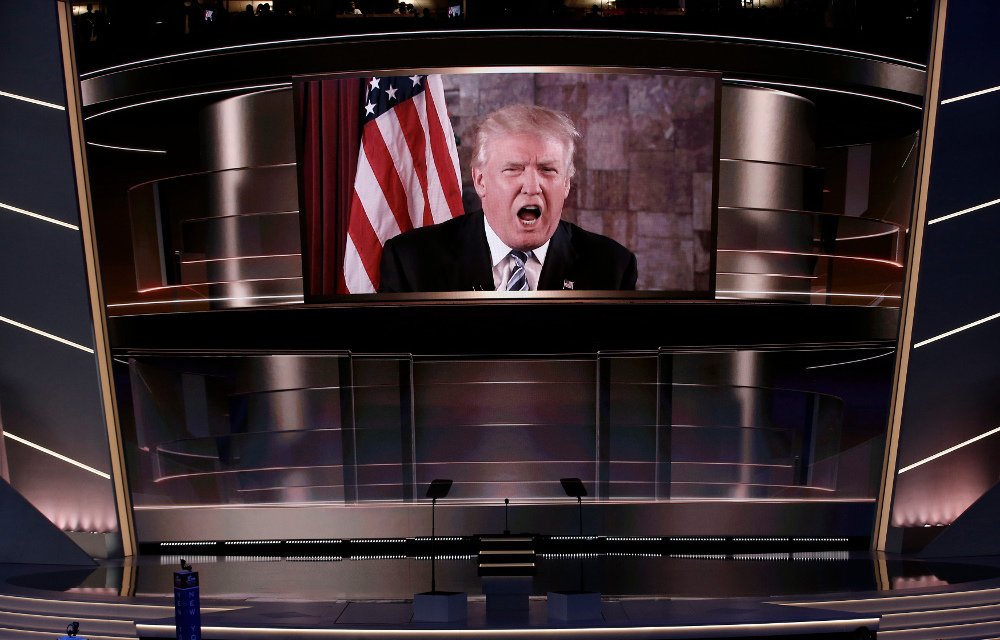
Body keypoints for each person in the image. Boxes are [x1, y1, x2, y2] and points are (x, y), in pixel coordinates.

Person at [378, 104, 638, 293]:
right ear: (480, 181)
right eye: (513, 169)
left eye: (548, 170)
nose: (532, 187)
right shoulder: (411, 262)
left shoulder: (612, 268)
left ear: (567, 184)